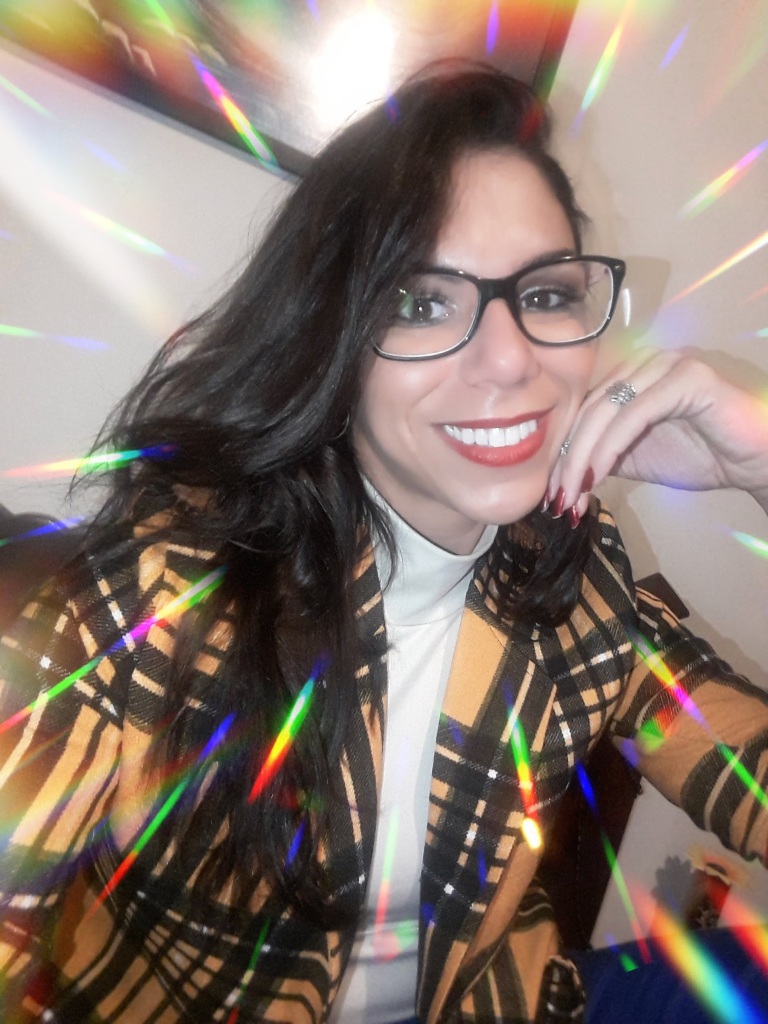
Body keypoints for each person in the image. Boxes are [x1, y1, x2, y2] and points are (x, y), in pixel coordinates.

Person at [0, 63, 767, 1024]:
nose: (511, 359)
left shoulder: (578, 569)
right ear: (333, 338)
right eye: (420, 302)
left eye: (545, 295)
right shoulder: (160, 593)